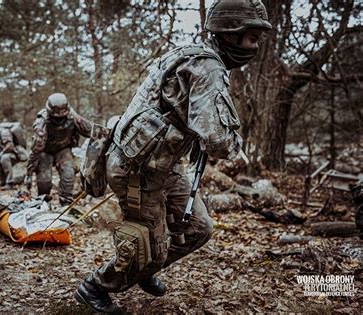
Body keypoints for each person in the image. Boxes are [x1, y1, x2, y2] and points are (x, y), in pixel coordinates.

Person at [74, 0, 272, 312]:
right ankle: (96, 286)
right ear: (231, 35)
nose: (256, 46)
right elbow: (220, 142)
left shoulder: (193, 53)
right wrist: (237, 149)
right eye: (252, 38)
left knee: (198, 228)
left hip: (161, 164)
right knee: (149, 249)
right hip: (137, 169)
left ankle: (147, 268)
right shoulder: (208, 68)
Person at [25, 93, 92, 205]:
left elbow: (91, 131)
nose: (59, 120)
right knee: (44, 180)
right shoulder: (42, 123)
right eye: (56, 118)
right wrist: (29, 173)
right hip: (45, 151)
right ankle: (43, 202)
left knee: (68, 173)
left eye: (62, 117)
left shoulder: (73, 117)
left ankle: (65, 203)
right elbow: (36, 150)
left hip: (63, 149)